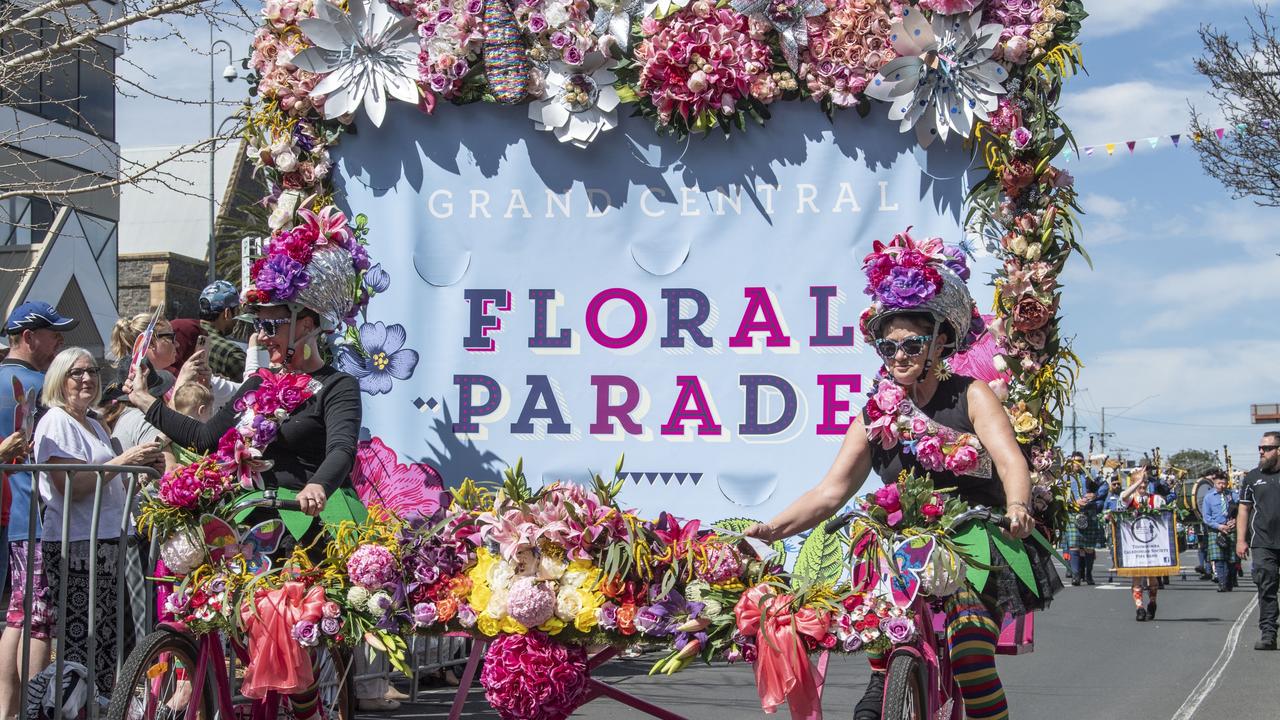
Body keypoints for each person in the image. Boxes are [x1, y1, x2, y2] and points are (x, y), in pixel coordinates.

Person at [745, 231, 1057, 720]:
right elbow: (830, 492)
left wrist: (1017, 506)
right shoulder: (874, 412)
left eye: (912, 344)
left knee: (972, 660)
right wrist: (772, 528)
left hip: (976, 542)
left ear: (941, 340)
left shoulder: (973, 395)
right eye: (888, 349)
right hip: (902, 550)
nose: (900, 357)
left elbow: (1010, 460)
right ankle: (885, 682)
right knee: (877, 628)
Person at [33, 347, 165, 694]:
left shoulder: (93, 423)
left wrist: (144, 470)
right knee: (81, 642)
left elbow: (113, 484)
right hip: (76, 544)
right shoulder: (55, 421)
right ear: (59, 379)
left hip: (109, 539)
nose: (88, 378)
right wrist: (126, 459)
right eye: (77, 372)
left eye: (92, 370)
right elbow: (71, 487)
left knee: (107, 640)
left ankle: (102, 705)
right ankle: (70, 710)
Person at [0, 301, 79, 719]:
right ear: (28, 338)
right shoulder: (44, 389)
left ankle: (10, 712)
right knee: (37, 621)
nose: (61, 340)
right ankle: (29, 713)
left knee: (20, 615)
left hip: (20, 519)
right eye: (54, 333)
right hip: (36, 516)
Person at [1236, 432, 1280, 651]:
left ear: (1279, 450)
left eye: (1267, 448)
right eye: (1260, 448)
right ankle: (1268, 633)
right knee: (1266, 586)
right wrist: (1240, 540)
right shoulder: (1253, 477)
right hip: (1263, 542)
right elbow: (1244, 509)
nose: (1261, 451)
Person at [1119, 465, 1164, 622]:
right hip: (1135, 546)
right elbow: (1123, 496)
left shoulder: (1155, 499)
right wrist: (1137, 482)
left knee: (1152, 577)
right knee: (1137, 577)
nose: (1143, 485)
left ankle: (1152, 602)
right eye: (1140, 482)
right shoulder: (1130, 499)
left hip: (1152, 545)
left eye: (1145, 482)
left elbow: (1165, 515)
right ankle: (1139, 607)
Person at [1063, 451, 1104, 586]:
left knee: (1089, 547)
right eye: (1075, 461)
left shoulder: (1091, 475)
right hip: (1073, 513)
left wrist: (1095, 495)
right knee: (1074, 546)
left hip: (1089, 513)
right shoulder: (1065, 478)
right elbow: (1059, 495)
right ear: (1070, 462)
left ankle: (1088, 574)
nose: (1077, 464)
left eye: (1080, 461)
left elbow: (1105, 486)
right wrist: (1072, 501)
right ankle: (1075, 575)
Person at [196, 280, 248, 381]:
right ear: (227, 313)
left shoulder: (184, 336)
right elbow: (253, 385)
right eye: (237, 311)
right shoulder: (231, 353)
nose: (237, 319)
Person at [1200, 470, 1238, 592]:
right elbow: (1206, 517)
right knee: (1219, 559)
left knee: (1232, 559)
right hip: (1215, 531)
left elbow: (1241, 508)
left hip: (1231, 529)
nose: (1222, 485)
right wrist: (1219, 527)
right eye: (1219, 483)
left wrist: (1235, 521)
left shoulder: (1232, 495)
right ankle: (1222, 583)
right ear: (1214, 483)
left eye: (1224, 483)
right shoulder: (1208, 497)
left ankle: (1230, 581)